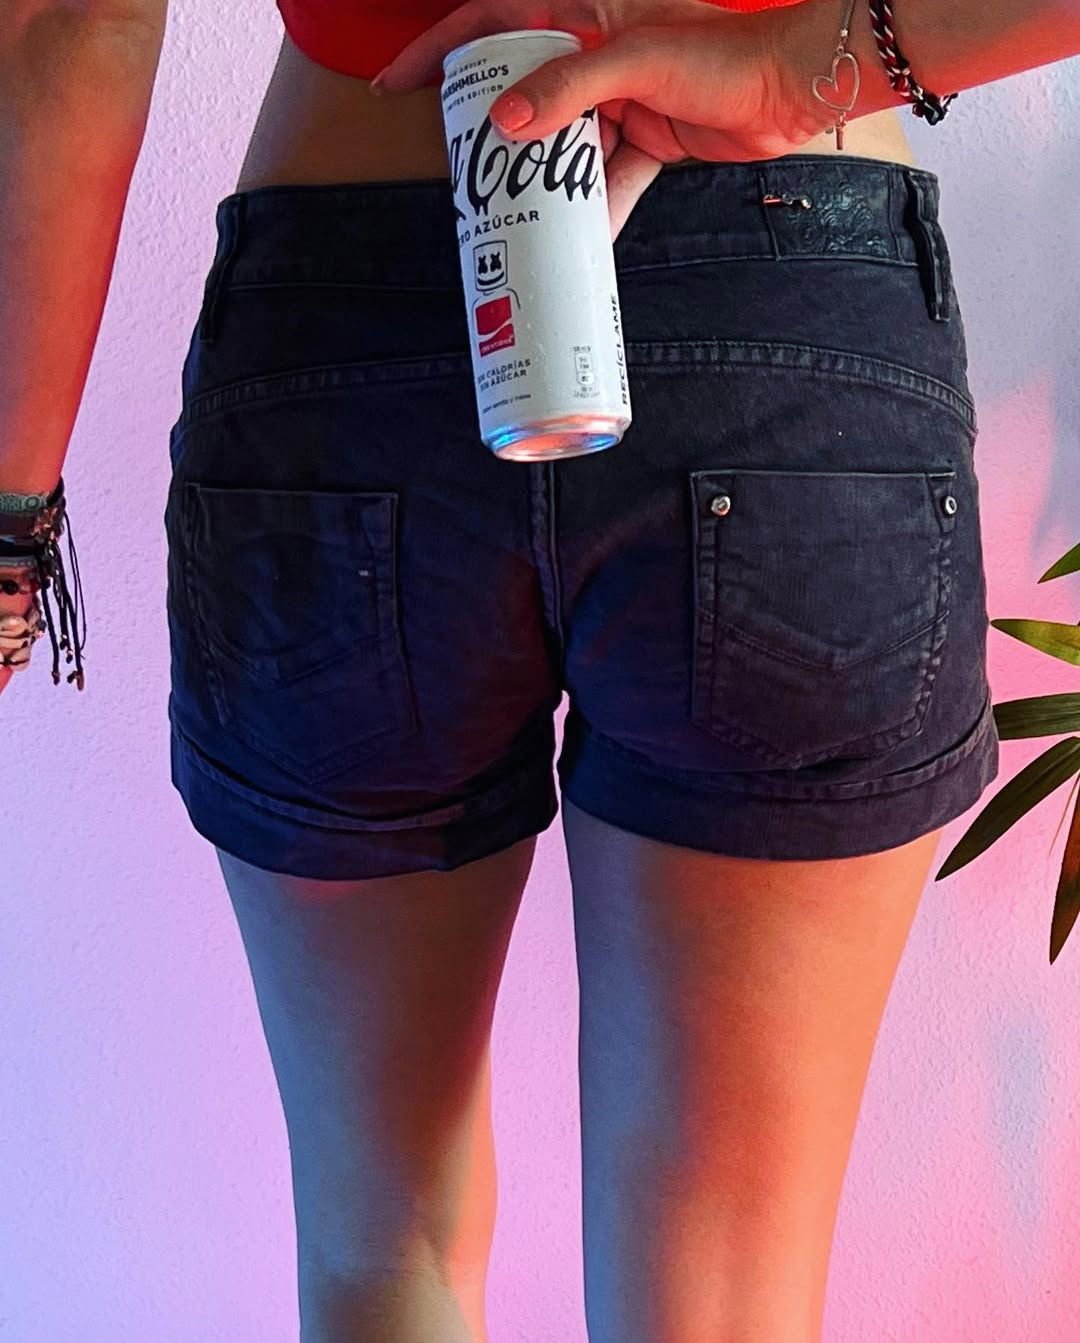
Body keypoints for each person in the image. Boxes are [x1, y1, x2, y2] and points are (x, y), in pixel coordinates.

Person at [1, 1, 1078, 1340]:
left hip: (343, 336)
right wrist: (804, 58)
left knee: (382, 1243)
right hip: (789, 301)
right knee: (726, 1286)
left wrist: (10, 533)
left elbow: (68, 21)